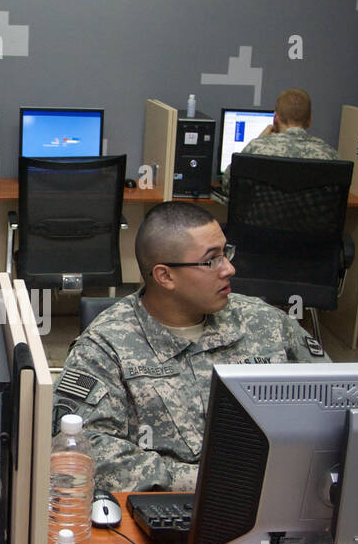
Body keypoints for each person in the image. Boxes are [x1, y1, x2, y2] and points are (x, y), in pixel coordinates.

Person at [53, 201, 329, 493]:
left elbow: (339, 395)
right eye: (212, 261)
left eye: (227, 253)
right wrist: (212, 482)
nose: (230, 269)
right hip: (171, 510)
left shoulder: (265, 321)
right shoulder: (106, 346)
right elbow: (83, 452)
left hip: (282, 493)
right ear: (165, 276)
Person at [221, 88, 342, 189]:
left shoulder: (258, 149)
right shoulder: (330, 155)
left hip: (266, 217)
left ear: (275, 118)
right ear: (309, 121)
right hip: (312, 218)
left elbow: (228, 184)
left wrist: (260, 139)